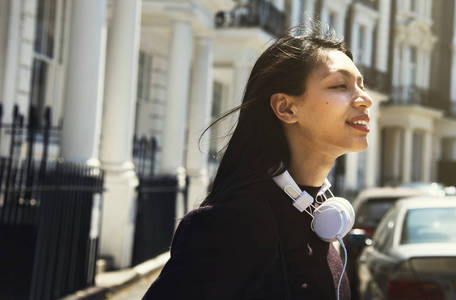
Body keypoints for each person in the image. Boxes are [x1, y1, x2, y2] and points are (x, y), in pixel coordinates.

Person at [142, 22, 372, 300]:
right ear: (285, 107)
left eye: (361, 85)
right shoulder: (230, 225)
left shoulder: (321, 222)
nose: (365, 99)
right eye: (340, 85)